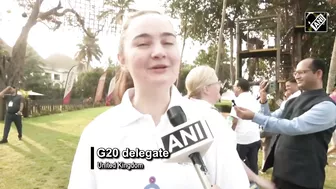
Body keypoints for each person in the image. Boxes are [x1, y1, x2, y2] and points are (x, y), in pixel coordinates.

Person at [68, 10, 250, 189]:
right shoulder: (97, 134)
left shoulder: (210, 122)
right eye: (143, 43)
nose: (158, 52)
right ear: (122, 59)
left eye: (168, 42)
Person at [233, 58, 336, 189]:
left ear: (318, 74)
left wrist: (254, 116)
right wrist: (263, 101)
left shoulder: (327, 106)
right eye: (296, 73)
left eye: (302, 72)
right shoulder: (293, 100)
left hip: (304, 177)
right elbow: (269, 118)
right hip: (282, 171)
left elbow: (295, 126)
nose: (297, 76)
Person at [185, 65, 276, 189]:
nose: (220, 86)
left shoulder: (193, 111)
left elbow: (230, 156)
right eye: (217, 82)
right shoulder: (208, 117)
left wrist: (256, 179)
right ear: (206, 89)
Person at [230, 78, 261, 175]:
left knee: (240, 168)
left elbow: (234, 121)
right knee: (253, 166)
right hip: (255, 137)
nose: (233, 88)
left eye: (234, 86)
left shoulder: (237, 101)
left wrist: (229, 132)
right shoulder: (255, 99)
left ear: (239, 88)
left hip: (242, 139)